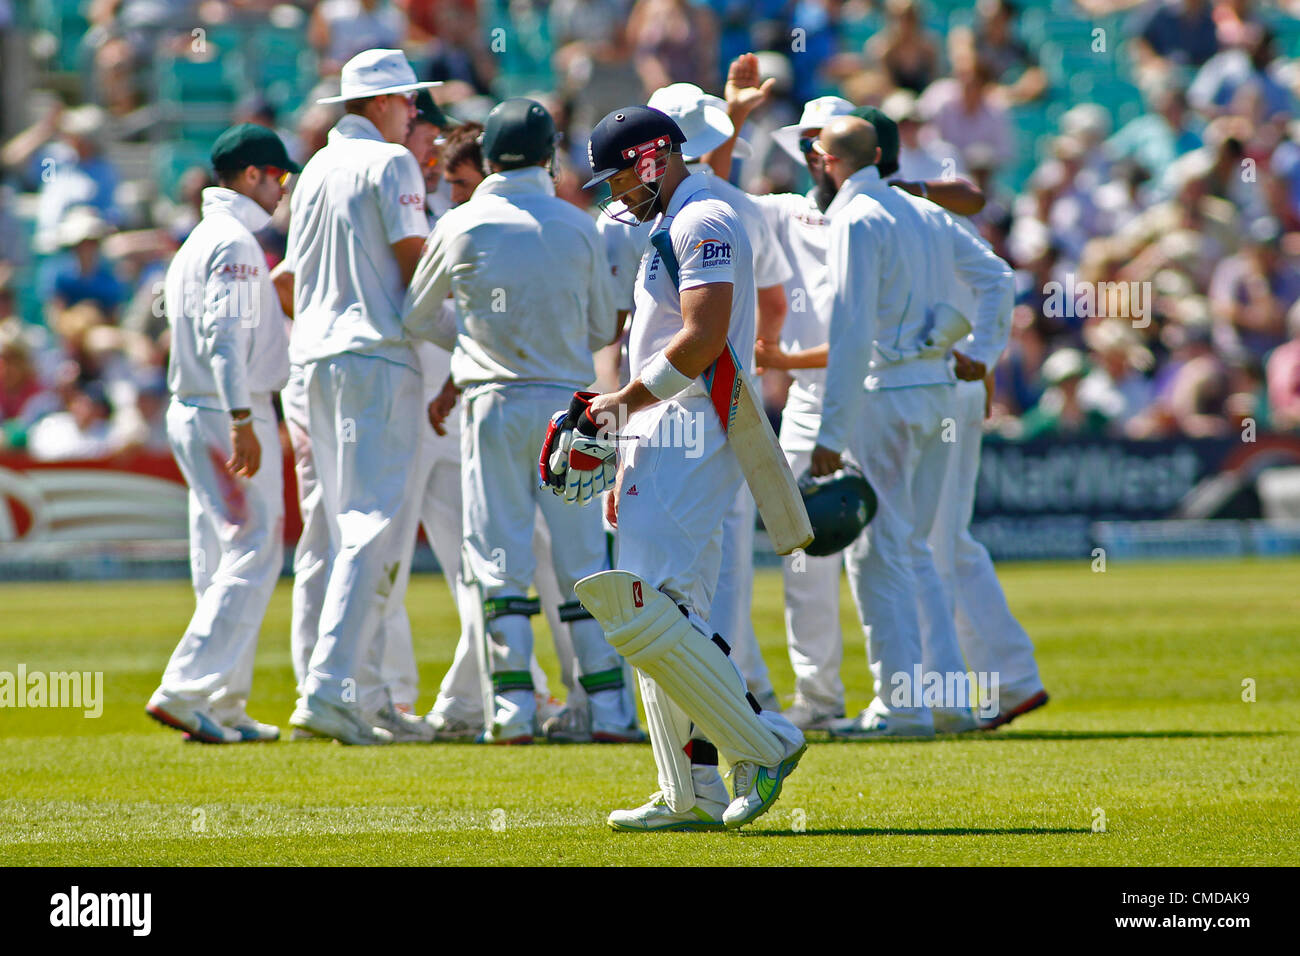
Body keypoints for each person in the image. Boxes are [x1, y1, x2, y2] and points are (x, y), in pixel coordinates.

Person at [559, 105, 805, 830]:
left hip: (689, 424)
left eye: (619, 178)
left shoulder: (704, 219)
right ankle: (687, 789)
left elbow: (702, 339)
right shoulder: (679, 218)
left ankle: (763, 740)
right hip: (665, 426)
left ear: (654, 157)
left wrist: (623, 404)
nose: (616, 195)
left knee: (640, 605)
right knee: (665, 609)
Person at [404, 98, 640, 744]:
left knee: (497, 559)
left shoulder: (460, 224)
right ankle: (611, 713)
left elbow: (417, 316)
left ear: (485, 159)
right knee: (585, 561)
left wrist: (476, 340)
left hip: (492, 403)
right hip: (567, 405)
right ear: (548, 155)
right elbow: (601, 329)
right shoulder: (578, 227)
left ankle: (512, 714)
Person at [809, 116, 1014, 737]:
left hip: (887, 396)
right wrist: (984, 348)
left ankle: (901, 706)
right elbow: (999, 277)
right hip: (935, 390)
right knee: (914, 550)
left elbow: (849, 331)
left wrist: (829, 434)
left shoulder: (856, 217)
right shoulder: (916, 209)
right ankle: (947, 700)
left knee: (878, 554)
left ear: (827, 161)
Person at [278, 49, 435, 745]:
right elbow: (416, 266)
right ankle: (330, 688)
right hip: (373, 355)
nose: (415, 114)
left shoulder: (313, 168)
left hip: (315, 358)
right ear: (380, 105)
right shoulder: (391, 163)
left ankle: (363, 694)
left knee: (348, 530)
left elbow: (290, 275)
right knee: (371, 524)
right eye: (408, 102)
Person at [644, 79, 793, 713]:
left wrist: (619, 403)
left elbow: (700, 327)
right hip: (720, 401)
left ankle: (744, 722)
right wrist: (759, 354)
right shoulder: (734, 204)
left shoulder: (690, 211)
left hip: (685, 410)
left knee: (667, 591)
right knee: (709, 578)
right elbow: (774, 302)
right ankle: (726, 726)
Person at [144, 124, 296, 744]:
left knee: (218, 556)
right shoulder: (233, 243)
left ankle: (221, 704)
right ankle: (185, 690)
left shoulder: (204, 238)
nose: (284, 189)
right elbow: (224, 340)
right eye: (279, 177)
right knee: (256, 547)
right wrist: (241, 419)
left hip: (198, 407)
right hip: (224, 409)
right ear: (254, 175)